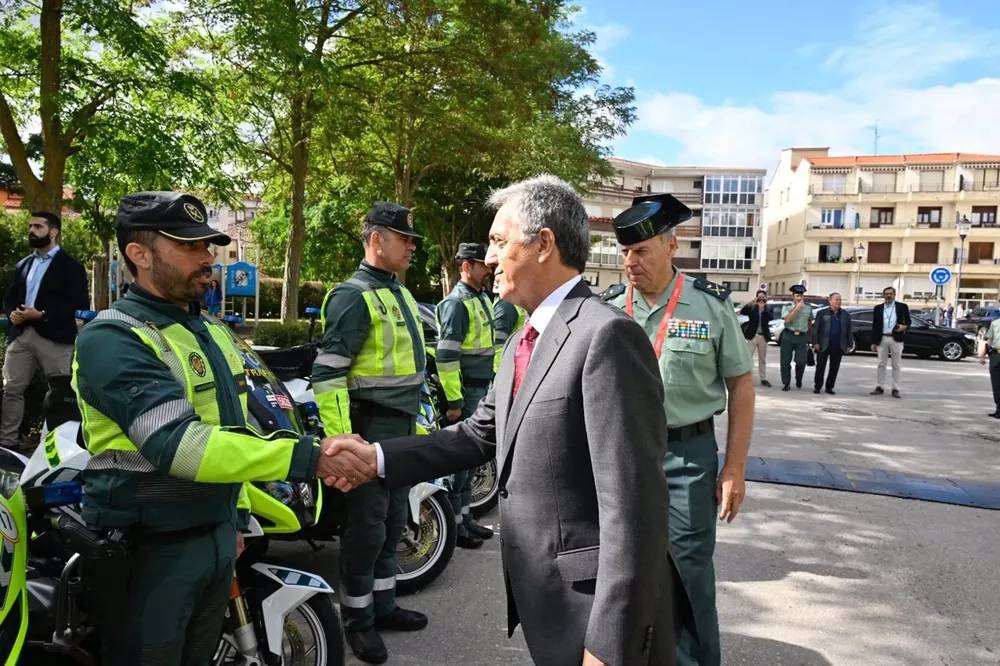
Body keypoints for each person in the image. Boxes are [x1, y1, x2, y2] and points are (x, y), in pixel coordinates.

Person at [324, 174, 691, 666]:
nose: (488, 258)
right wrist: (375, 458)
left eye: (498, 241)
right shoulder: (526, 340)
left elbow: (635, 510)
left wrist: (609, 644)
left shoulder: (605, 337)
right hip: (550, 603)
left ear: (543, 244)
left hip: (592, 615)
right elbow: (478, 434)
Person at [72, 191, 366, 665]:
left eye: (207, 244)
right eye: (189, 246)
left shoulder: (208, 331)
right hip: (149, 547)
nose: (208, 256)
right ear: (139, 254)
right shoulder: (112, 338)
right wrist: (309, 457)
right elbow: (181, 446)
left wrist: (236, 516)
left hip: (212, 531)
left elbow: (232, 429)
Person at [609, 193, 755, 666]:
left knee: (688, 571)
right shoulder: (611, 308)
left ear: (671, 247)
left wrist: (733, 468)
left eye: (642, 251)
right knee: (622, 569)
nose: (631, 262)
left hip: (686, 457)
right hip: (621, 457)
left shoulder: (710, 306)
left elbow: (742, 385)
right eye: (626, 252)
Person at [310, 202, 429, 663]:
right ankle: (356, 622)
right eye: (405, 239)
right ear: (377, 239)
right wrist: (344, 442)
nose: (412, 246)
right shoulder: (352, 295)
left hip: (399, 427)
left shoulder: (397, 292)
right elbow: (328, 374)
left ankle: (383, 607)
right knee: (366, 529)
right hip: (369, 428)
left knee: (393, 521)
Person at [2, 211, 89, 451]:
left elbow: (80, 305)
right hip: (21, 336)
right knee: (11, 389)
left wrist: (42, 315)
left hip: (55, 337)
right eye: (30, 226)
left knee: (62, 392)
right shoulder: (23, 265)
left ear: (54, 232)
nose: (31, 230)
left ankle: (59, 444)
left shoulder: (70, 266)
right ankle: (7, 443)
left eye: (38, 226)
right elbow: (10, 297)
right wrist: (11, 313)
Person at [434, 242, 497, 548]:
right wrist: (455, 402)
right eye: (482, 264)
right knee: (460, 461)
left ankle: (466, 519)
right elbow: (446, 357)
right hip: (467, 391)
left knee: (471, 460)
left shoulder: (480, 298)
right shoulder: (457, 303)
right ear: (466, 266)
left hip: (480, 387)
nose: (488, 269)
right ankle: (455, 527)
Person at [870, 286, 910, 398]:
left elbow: (909, 321)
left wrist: (904, 327)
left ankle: (895, 388)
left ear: (894, 294)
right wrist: (874, 342)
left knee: (896, 364)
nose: (888, 296)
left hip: (896, 338)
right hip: (882, 338)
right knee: (881, 363)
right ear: (884, 295)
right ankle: (880, 386)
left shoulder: (902, 307)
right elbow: (875, 326)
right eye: (886, 294)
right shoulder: (878, 308)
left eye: (890, 293)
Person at [811, 293, 853, 395]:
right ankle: (817, 386)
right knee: (820, 367)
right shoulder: (822, 313)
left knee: (834, 368)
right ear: (830, 301)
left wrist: (849, 344)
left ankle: (829, 387)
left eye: (839, 300)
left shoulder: (845, 314)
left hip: (838, 345)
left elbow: (849, 330)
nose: (838, 302)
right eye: (836, 300)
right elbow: (816, 329)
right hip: (823, 345)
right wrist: (815, 342)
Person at [779, 285, 813, 390]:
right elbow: (787, 320)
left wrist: (810, 337)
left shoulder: (808, 307)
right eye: (797, 296)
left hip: (802, 337)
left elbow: (809, 322)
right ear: (793, 296)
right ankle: (786, 383)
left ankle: (799, 379)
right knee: (785, 361)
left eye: (801, 296)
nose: (799, 298)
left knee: (801, 361)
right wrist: (797, 308)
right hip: (788, 335)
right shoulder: (787, 307)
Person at [739, 289, 773, 387]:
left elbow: (771, 318)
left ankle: (763, 379)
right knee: (748, 358)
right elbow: (743, 311)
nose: (761, 299)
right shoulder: (752, 307)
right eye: (759, 297)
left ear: (765, 298)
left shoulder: (767, 307)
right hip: (753, 336)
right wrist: (751, 302)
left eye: (763, 297)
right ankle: (747, 378)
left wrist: (763, 310)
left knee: (762, 359)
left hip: (763, 336)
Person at [492, 295, 527, 373]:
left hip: (514, 363)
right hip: (503, 368)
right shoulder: (506, 307)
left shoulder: (518, 305)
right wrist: (499, 371)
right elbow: (498, 344)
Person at [979, 316, 1000, 418]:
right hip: (996, 355)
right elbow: (989, 341)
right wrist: (983, 355)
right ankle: (998, 409)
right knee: (996, 384)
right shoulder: (995, 323)